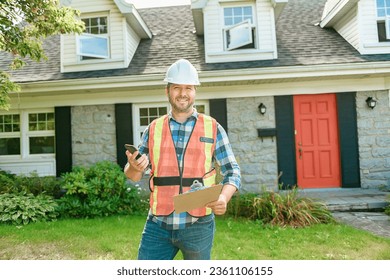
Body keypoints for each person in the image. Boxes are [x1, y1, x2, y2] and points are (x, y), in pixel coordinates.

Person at [124, 59, 241, 260]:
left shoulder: (212, 128)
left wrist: (223, 197)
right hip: (158, 225)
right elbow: (133, 175)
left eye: (188, 88)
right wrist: (134, 166)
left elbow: (233, 171)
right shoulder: (153, 129)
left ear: (195, 91)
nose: (183, 93)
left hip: (199, 225)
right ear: (167, 91)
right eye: (177, 87)